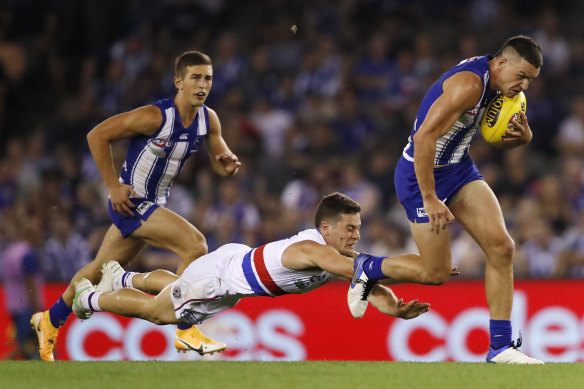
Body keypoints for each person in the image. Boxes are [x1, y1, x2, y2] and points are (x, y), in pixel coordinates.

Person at [31, 50, 241, 361]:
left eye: (207, 78)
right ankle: (185, 328)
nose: (202, 84)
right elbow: (96, 135)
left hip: (154, 204)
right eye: (195, 77)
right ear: (178, 82)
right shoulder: (155, 116)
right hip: (131, 202)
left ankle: (50, 320)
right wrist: (113, 186)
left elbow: (220, 159)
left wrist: (228, 164)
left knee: (98, 270)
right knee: (195, 245)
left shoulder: (208, 120)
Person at [348, 36, 545, 364]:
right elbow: (424, 136)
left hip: (458, 169)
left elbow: (490, 135)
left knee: (502, 247)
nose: (524, 86)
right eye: (522, 76)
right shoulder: (469, 85)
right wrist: (430, 196)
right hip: (419, 175)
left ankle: (500, 348)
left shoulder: (502, 87)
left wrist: (524, 139)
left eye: (531, 81)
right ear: (502, 62)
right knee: (435, 273)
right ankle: (368, 267)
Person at [70, 193, 431, 353]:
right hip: (220, 281)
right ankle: (89, 298)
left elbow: (362, 279)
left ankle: (121, 278)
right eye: (350, 228)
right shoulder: (312, 250)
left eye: (358, 227)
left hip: (231, 268)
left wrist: (394, 306)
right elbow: (357, 273)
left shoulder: (332, 252)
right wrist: (401, 273)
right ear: (327, 227)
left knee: (177, 289)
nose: (357, 235)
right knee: (158, 313)